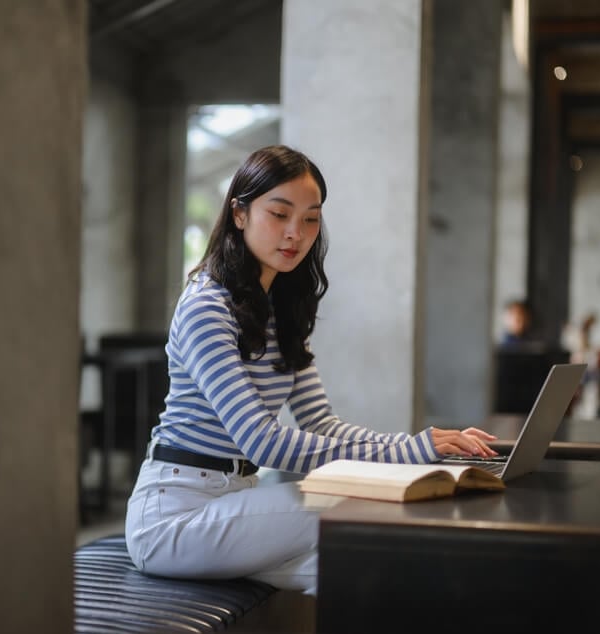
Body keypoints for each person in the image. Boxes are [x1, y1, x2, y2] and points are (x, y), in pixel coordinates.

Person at [124, 145, 497, 596]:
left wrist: (417, 445)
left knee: (380, 574)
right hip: (173, 515)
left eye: (310, 219)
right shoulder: (206, 307)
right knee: (356, 503)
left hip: (235, 500)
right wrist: (408, 454)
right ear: (239, 214)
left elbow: (321, 424)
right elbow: (262, 441)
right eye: (279, 214)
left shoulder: (282, 311)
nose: (294, 234)